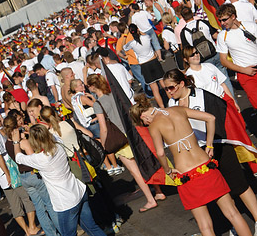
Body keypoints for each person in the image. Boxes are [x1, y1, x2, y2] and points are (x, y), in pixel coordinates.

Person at [130, 95, 252, 236]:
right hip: (206, 165)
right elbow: (210, 118)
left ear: (143, 116)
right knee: (233, 213)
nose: (146, 124)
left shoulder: (155, 125)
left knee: (205, 225)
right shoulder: (178, 109)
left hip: (186, 175)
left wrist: (168, 170)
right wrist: (209, 144)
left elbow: (160, 153)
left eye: (144, 123)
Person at [163, 69, 257, 232]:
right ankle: (236, 223)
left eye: (170, 87)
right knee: (222, 191)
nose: (168, 92)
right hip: (199, 155)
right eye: (166, 89)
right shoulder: (172, 105)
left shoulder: (202, 95)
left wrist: (210, 144)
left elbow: (221, 118)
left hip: (219, 145)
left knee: (239, 185)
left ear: (181, 84)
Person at [86, 74, 163, 211]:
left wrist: (103, 146)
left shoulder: (98, 104)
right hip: (132, 133)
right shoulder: (113, 95)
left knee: (135, 172)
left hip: (119, 139)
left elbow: (103, 128)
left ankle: (150, 200)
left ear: (92, 87)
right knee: (144, 163)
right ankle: (158, 192)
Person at [12, 124, 106, 236]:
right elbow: (53, 135)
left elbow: (18, 157)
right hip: (79, 191)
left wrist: (16, 142)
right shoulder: (58, 145)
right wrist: (36, 129)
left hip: (66, 203)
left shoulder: (40, 159)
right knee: (92, 228)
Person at [0, 109, 41, 236]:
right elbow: (0, 157)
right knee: (26, 198)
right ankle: (31, 228)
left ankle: (27, 230)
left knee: (15, 205)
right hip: (9, 174)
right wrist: (9, 174)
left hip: (3, 176)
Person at [3, 116, 60, 236]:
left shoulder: (8, 143)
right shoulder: (23, 143)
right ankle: (61, 230)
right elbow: (33, 159)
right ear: (16, 127)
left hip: (23, 177)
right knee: (49, 204)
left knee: (39, 207)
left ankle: (51, 233)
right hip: (33, 174)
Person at [216, 3, 257, 108]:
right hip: (246, 74)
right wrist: (244, 70)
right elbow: (223, 61)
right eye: (220, 20)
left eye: (224, 20)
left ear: (233, 16)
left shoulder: (251, 26)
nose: (222, 23)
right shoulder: (222, 36)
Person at [122, 24, 167, 107]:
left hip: (145, 65)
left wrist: (125, 35)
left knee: (155, 90)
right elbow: (146, 35)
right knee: (164, 84)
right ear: (138, 29)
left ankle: (163, 108)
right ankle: (173, 100)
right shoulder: (146, 37)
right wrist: (139, 30)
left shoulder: (132, 44)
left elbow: (124, 47)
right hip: (153, 61)